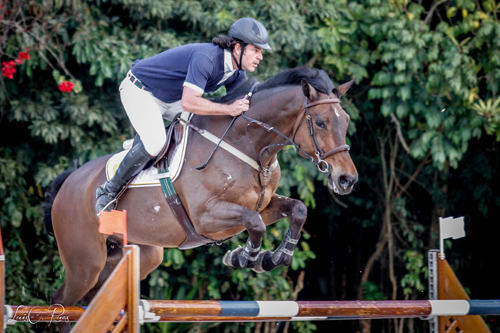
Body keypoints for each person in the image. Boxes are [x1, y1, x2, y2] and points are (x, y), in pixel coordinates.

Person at [95, 17, 272, 214]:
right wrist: (229, 109)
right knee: (156, 143)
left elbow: (239, 108)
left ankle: (144, 144)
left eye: (261, 51)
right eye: (256, 50)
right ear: (238, 48)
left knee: (203, 125)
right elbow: (190, 102)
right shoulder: (207, 58)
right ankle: (108, 191)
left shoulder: (237, 73)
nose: (260, 57)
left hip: (170, 98)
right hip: (140, 90)